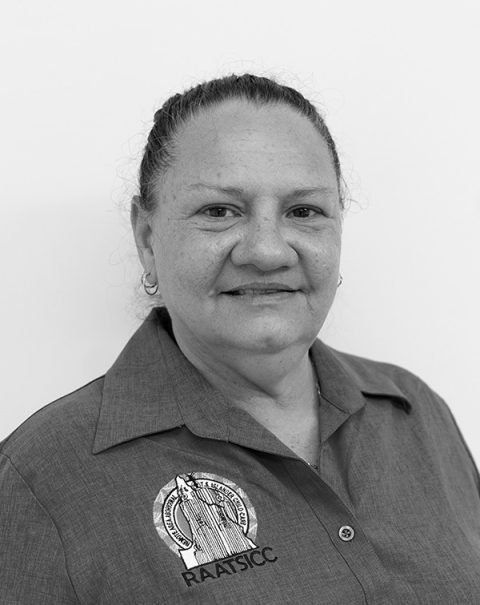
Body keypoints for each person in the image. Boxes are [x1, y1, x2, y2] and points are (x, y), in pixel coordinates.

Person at [1, 74, 479, 605]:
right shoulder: (42, 478)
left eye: (304, 211)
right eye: (219, 211)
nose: (267, 251)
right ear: (147, 238)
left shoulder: (415, 411)